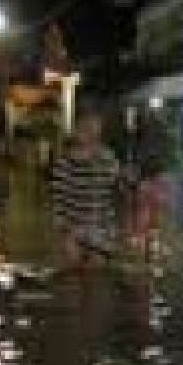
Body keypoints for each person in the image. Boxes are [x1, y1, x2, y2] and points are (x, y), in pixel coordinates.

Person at [49, 111, 121, 269]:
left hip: (101, 227)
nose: (90, 135)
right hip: (73, 226)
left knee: (96, 275)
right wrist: (65, 232)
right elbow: (59, 199)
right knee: (73, 274)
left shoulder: (108, 158)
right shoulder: (64, 163)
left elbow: (115, 191)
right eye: (86, 129)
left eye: (95, 131)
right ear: (76, 131)